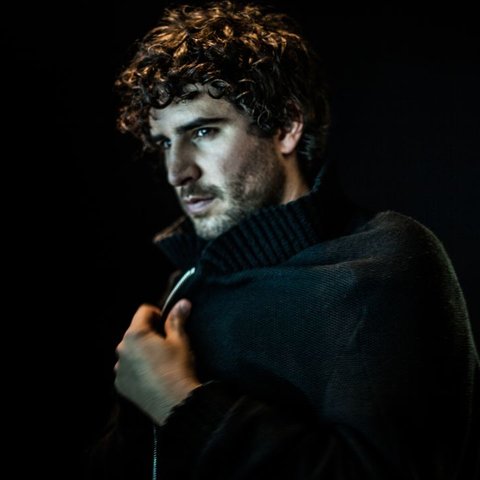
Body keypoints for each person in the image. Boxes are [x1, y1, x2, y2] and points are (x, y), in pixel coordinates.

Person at [87, 1, 480, 478]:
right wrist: (137, 413)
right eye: (165, 142)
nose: (177, 172)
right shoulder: (187, 283)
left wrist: (177, 400)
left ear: (286, 126)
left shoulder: (382, 265)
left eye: (203, 131)